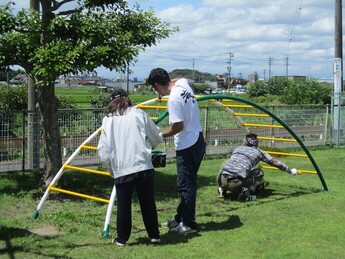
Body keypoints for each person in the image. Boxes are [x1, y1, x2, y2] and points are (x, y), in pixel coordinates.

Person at [97, 89, 163, 246]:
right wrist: (152, 143)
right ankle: (154, 235)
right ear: (128, 99)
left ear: (111, 102)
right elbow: (155, 136)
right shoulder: (138, 113)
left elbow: (103, 151)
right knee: (148, 202)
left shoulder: (108, 120)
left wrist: (111, 169)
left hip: (122, 168)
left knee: (124, 205)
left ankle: (122, 239)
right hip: (143, 165)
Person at [147, 68, 206, 235]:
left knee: (186, 185)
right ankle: (180, 217)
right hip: (197, 139)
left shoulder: (173, 99)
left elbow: (177, 126)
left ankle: (188, 224)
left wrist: (159, 136)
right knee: (186, 183)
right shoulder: (183, 85)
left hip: (188, 144)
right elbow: (180, 77)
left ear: (157, 85)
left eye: (154, 87)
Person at [217, 133, 298, 201]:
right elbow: (276, 163)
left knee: (226, 164)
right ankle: (246, 193)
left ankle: (222, 190)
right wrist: (290, 171)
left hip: (222, 180)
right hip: (236, 183)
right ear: (256, 142)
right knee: (259, 172)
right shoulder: (259, 152)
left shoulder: (237, 149)